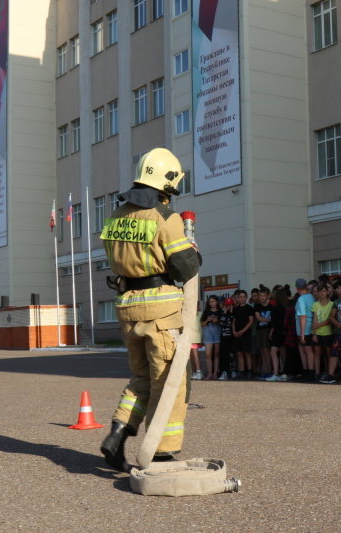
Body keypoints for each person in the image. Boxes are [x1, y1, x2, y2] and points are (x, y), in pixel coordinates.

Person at [99, 147, 201, 472]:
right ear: (166, 184)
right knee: (171, 380)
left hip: (127, 307)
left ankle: (118, 432)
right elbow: (185, 268)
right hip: (161, 311)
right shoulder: (166, 219)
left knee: (141, 378)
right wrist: (192, 248)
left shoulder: (115, 218)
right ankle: (162, 454)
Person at [295, 278, 317, 380]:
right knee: (305, 350)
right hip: (309, 326)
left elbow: (302, 316)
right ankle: (308, 371)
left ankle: (309, 372)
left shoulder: (301, 299)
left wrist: (302, 333)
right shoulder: (311, 296)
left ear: (297, 288)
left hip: (304, 328)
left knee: (306, 350)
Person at [311, 284, 335, 379]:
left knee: (328, 353)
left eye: (323, 291)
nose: (321, 293)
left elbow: (330, 319)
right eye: (319, 291)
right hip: (318, 333)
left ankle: (329, 372)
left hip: (328, 332)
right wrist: (314, 333)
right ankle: (317, 373)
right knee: (317, 353)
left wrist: (318, 325)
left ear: (327, 292)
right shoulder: (315, 305)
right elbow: (315, 319)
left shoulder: (332, 304)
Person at [268, 286, 290, 381]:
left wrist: (271, 332)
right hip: (286, 332)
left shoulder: (276, 307)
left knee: (273, 352)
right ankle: (285, 373)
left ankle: (276, 373)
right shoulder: (287, 306)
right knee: (283, 353)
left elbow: (275, 322)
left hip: (278, 332)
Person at [232, 289, 255, 379]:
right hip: (237, 333)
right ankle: (242, 370)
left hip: (246, 333)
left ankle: (250, 370)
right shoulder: (236, 309)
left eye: (243, 297)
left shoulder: (249, 308)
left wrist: (242, 331)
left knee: (247, 353)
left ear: (246, 297)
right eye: (240, 297)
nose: (242, 299)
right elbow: (234, 321)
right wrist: (234, 330)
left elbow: (251, 321)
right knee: (239, 353)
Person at [253, 287, 273, 378]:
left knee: (267, 350)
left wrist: (270, 321)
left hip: (267, 330)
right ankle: (265, 371)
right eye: (260, 296)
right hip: (260, 329)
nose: (262, 297)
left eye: (264, 296)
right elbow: (258, 318)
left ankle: (270, 370)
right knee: (262, 351)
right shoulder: (257, 306)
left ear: (267, 296)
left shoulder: (271, 306)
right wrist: (270, 320)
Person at [200, 295, 222, 381]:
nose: (212, 303)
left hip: (217, 331)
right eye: (210, 302)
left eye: (213, 301)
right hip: (208, 332)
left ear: (217, 302)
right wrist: (207, 320)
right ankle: (209, 373)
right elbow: (202, 324)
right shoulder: (206, 312)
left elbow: (223, 323)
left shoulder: (220, 312)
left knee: (216, 353)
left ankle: (215, 373)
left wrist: (217, 321)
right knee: (208, 354)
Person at [218, 298, 235, 379]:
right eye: (226, 305)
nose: (228, 307)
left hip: (232, 337)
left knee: (232, 355)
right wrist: (225, 313)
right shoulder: (222, 313)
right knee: (224, 355)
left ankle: (233, 371)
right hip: (224, 337)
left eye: (230, 305)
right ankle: (225, 372)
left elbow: (232, 322)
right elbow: (222, 323)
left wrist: (231, 313)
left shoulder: (234, 313)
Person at [190, 302, 204, 380]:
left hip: (195, 337)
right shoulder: (187, 314)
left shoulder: (200, 314)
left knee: (195, 355)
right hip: (189, 337)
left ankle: (199, 371)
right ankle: (194, 372)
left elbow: (201, 325)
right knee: (191, 356)